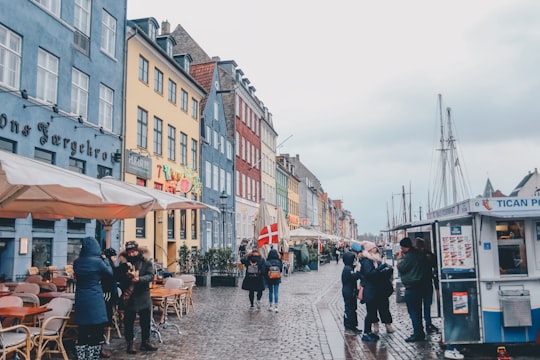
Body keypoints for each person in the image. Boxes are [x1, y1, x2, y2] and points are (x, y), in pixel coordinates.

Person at [73, 237, 113, 360]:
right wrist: (105, 260)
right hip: (95, 298)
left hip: (81, 297)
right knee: (96, 330)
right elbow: (110, 272)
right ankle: (92, 357)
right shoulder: (98, 262)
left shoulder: (77, 262)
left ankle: (81, 357)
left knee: (83, 331)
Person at [118, 240, 158, 354]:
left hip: (143, 294)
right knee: (129, 321)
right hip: (129, 295)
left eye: (133, 252)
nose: (131, 254)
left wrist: (140, 279)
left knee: (145, 320)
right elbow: (118, 276)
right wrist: (126, 275)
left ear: (137, 251)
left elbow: (150, 275)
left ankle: (145, 342)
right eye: (129, 252)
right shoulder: (123, 262)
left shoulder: (146, 262)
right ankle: (129, 344)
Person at [359, 241, 394, 342]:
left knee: (383, 307)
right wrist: (380, 269)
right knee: (371, 311)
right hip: (371, 290)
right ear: (369, 250)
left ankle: (384, 325)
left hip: (379, 289)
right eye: (374, 248)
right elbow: (370, 274)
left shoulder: (376, 259)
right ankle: (369, 330)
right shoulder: (367, 261)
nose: (376, 249)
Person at [397, 237, 429, 342]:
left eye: (401, 247)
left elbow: (401, 268)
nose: (401, 249)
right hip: (421, 286)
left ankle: (418, 334)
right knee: (418, 310)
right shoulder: (419, 254)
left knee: (414, 312)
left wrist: (399, 259)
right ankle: (420, 332)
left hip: (412, 287)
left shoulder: (409, 257)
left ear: (404, 247)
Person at [415, 237, 439, 333]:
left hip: (418, 284)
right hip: (427, 282)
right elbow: (435, 264)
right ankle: (428, 323)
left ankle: (420, 325)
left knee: (419, 306)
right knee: (427, 305)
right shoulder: (428, 254)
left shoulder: (415, 255)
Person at [341, 251, 362, 335]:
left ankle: (353, 326)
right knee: (349, 309)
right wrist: (358, 271)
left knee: (353, 309)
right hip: (348, 291)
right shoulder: (347, 269)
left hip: (351, 290)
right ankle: (348, 327)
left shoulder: (349, 268)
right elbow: (354, 277)